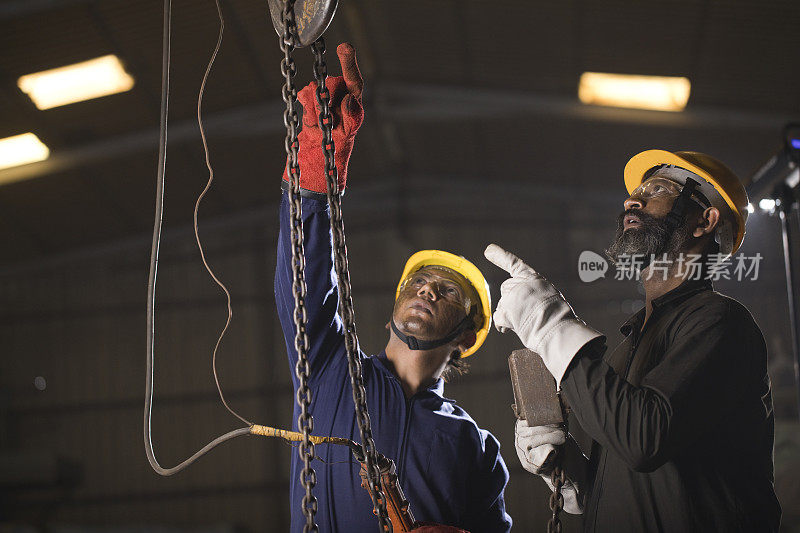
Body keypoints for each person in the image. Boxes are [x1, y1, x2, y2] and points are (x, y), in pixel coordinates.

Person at [275, 43, 512, 532]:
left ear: (466, 338)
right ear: (391, 311)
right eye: (419, 283)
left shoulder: (475, 449)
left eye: (448, 293)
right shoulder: (329, 368)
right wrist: (318, 164)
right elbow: (304, 278)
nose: (427, 291)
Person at [485, 150, 781, 532]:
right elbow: (636, 483)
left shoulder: (720, 323)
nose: (632, 199)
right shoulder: (629, 347)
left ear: (704, 220)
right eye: (636, 191)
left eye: (658, 188)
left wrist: (549, 325)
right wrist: (568, 471)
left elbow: (644, 438)